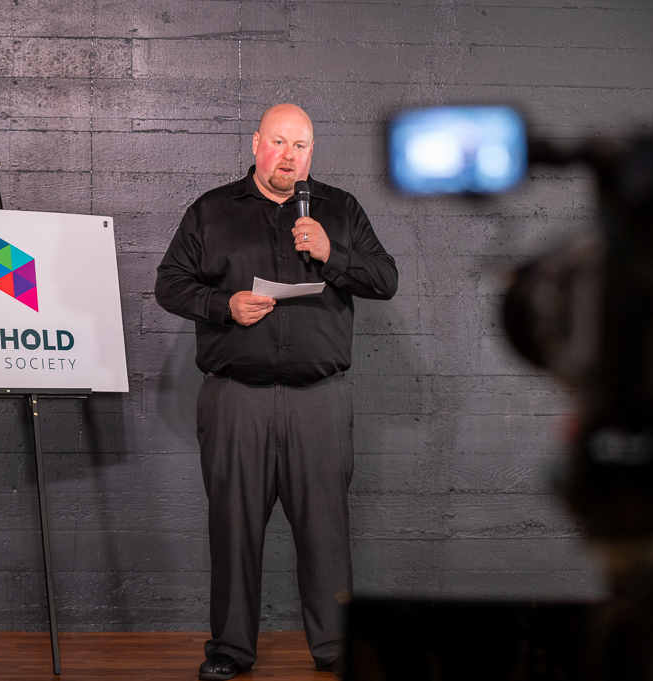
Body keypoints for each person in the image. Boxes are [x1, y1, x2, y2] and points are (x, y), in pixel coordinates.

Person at [155, 103, 398, 680]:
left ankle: (336, 648)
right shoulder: (212, 211)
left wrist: (331, 253)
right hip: (235, 398)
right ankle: (230, 650)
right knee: (234, 527)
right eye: (279, 143)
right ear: (256, 143)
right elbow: (169, 284)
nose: (289, 156)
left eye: (301, 146)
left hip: (320, 399)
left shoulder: (340, 210)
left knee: (326, 531)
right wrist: (224, 305)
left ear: (312, 153)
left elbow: (385, 279)